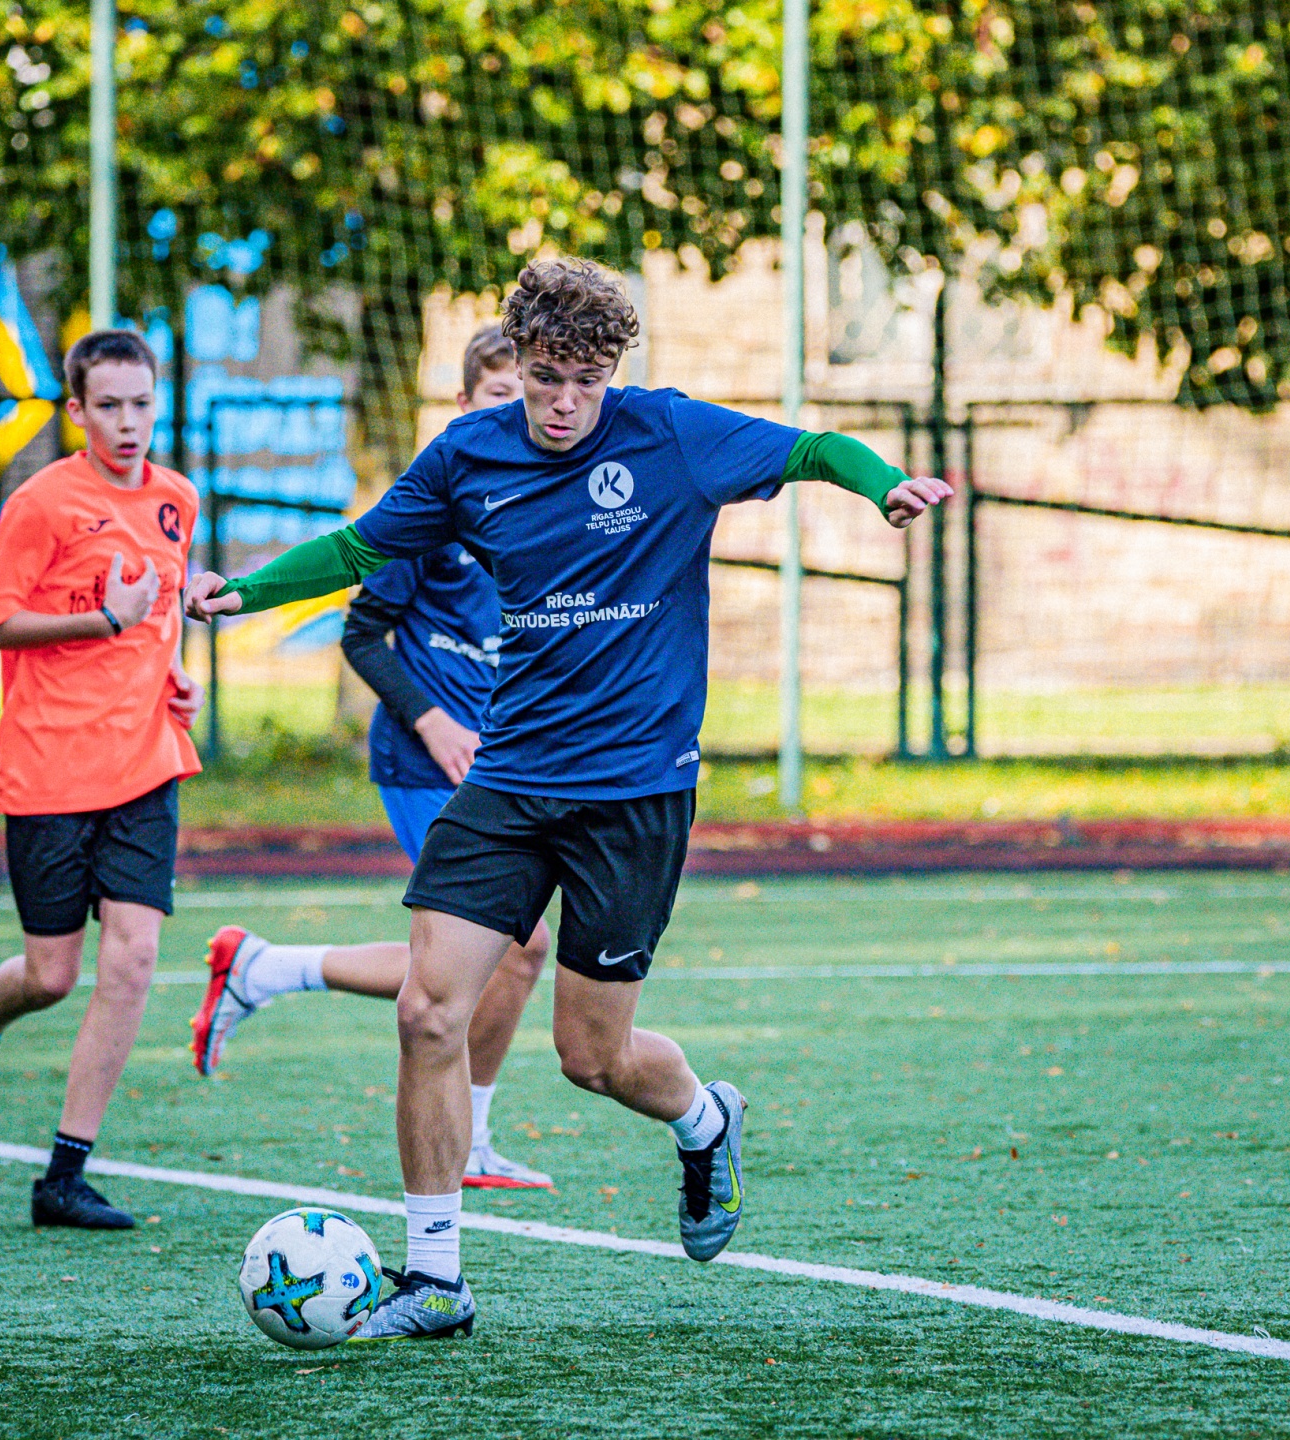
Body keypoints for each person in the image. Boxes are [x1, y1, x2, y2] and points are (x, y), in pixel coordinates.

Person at [186, 258, 951, 1339]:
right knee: (427, 1010)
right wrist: (247, 589)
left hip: (634, 794)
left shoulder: (670, 433)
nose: (561, 403)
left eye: (585, 382)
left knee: (593, 1058)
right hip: (508, 780)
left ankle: (703, 1119)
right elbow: (360, 548)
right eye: (545, 378)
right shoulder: (468, 455)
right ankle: (436, 1281)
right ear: (520, 361)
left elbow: (813, 449)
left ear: (613, 372)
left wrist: (886, 486)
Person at [187, 327, 555, 1191]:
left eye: (527, 397)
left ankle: (265, 969)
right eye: (498, 396)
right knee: (512, 943)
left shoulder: (549, 505)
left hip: (501, 762)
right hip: (428, 762)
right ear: (463, 405)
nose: (518, 413)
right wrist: (433, 722)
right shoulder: (440, 503)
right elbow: (362, 634)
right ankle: (462, 1141)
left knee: (509, 952)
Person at [0, 329, 204, 1231]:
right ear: (77, 411)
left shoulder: (177, 498)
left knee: (135, 955)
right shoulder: (41, 504)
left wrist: (175, 673)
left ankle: (64, 1175)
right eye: (108, 406)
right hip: (48, 767)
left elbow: (159, 612)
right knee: (50, 976)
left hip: (146, 760)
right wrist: (102, 624)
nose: (128, 422)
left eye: (141, 404)